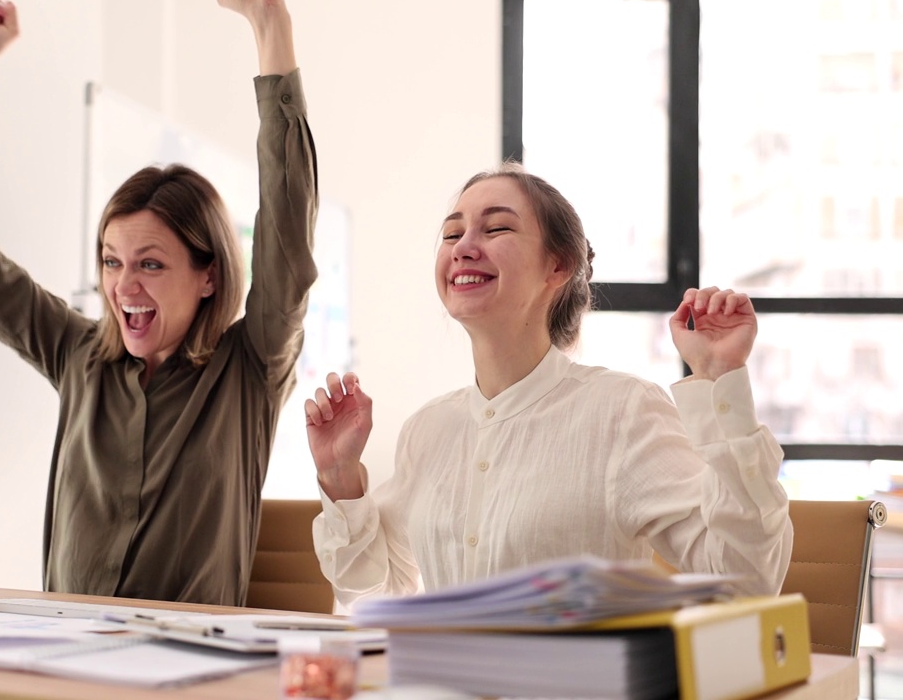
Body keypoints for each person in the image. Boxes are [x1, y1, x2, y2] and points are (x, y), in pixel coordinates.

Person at [0, 0, 317, 606]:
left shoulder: (250, 369)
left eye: (151, 265)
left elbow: (288, 238)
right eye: (111, 262)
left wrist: (269, 23)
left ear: (208, 274)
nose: (123, 287)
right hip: (65, 666)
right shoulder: (78, 355)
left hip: (187, 675)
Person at [304, 164, 792, 606]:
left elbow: (743, 581)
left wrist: (720, 379)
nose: (464, 247)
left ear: (557, 267)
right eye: (452, 234)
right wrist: (339, 475)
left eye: (495, 228)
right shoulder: (428, 429)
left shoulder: (622, 412)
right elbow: (370, 594)